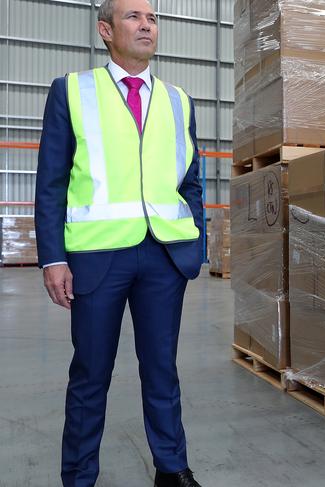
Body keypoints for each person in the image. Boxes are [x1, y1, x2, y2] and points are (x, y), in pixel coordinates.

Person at [35, 0, 203, 485]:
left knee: (162, 369)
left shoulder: (178, 100)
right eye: (134, 17)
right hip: (96, 255)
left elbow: (191, 181)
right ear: (105, 30)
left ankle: (172, 469)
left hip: (165, 255)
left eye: (152, 18)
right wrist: (52, 258)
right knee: (90, 373)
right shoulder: (73, 91)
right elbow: (52, 182)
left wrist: (196, 242)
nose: (147, 24)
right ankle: (79, 476)